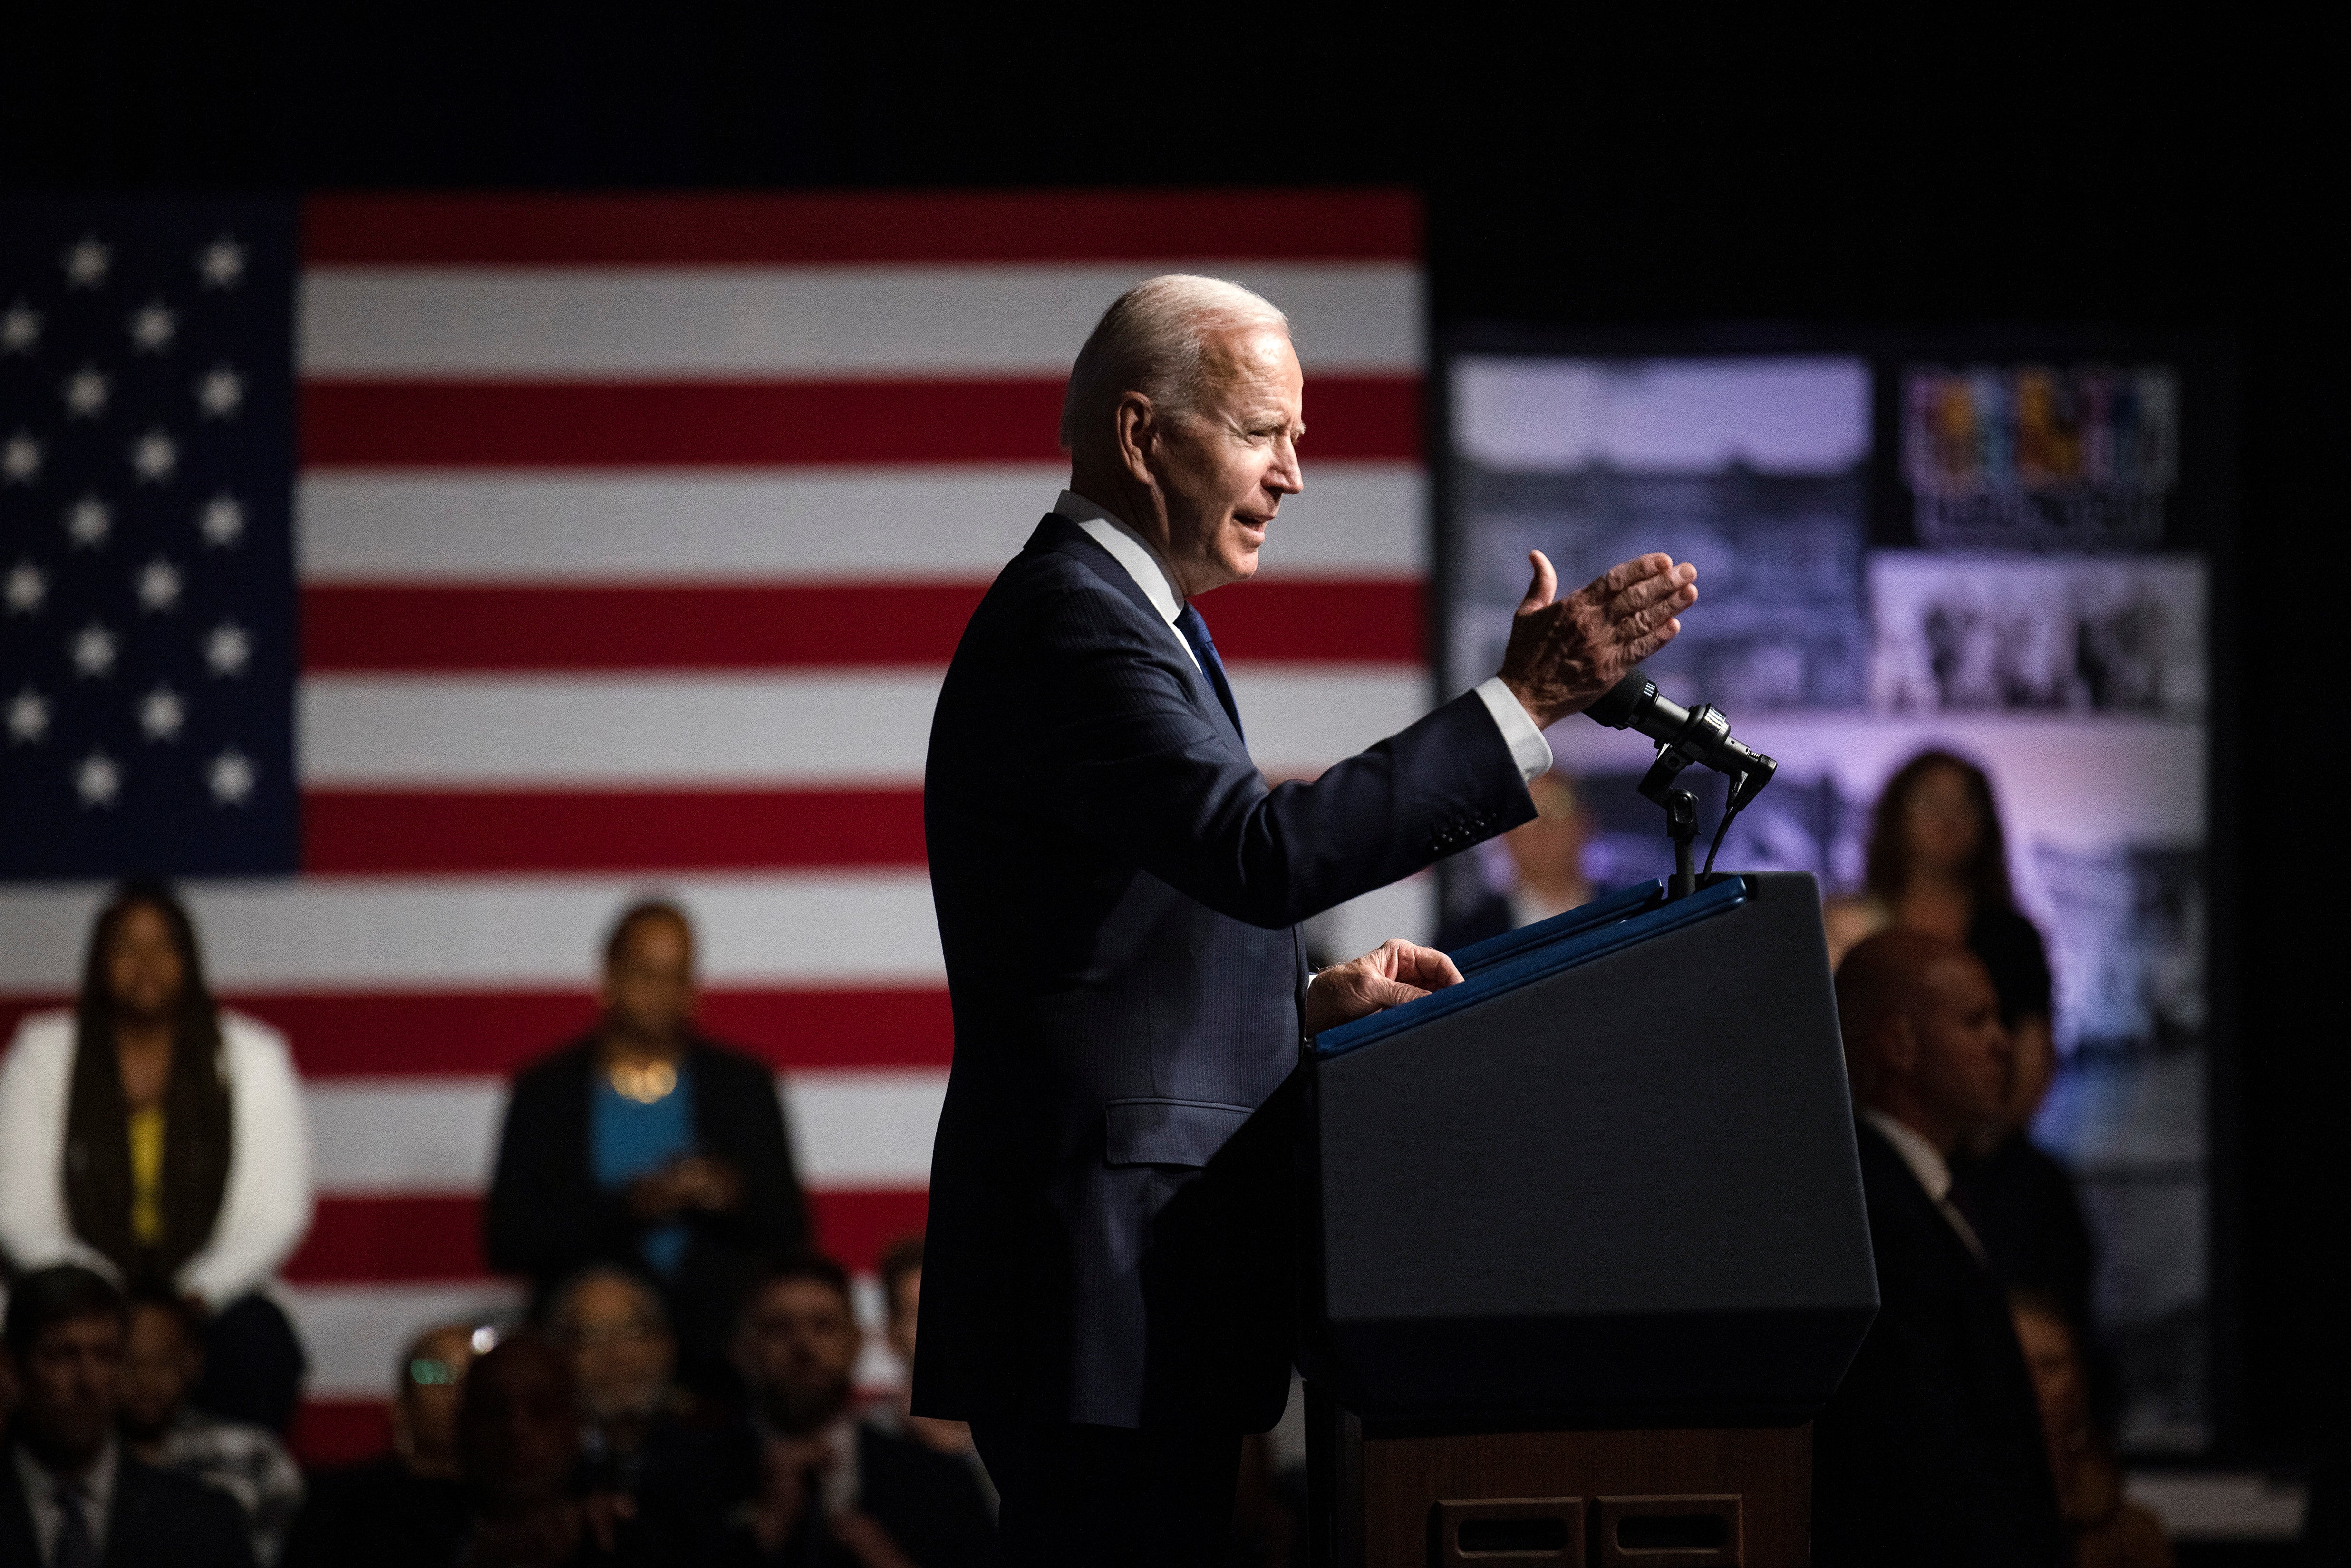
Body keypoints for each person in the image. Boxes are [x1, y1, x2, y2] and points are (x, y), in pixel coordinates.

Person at [917, 272, 1698, 1565]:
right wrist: (1526, 701)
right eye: (1260, 432)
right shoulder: (1075, 624)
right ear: (1139, 431)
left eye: (1299, 440)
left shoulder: (1123, 622)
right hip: (1100, 1291)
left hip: (1126, 1288)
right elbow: (1257, 849)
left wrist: (1294, 1014)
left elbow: (1120, 948)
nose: (1290, 475)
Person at [0, 881, 313, 1433]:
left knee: (261, 1344)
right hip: (76, 1292)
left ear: (189, 958)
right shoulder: (43, 1053)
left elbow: (275, 1214)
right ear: (98, 960)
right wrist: (108, 1299)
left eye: (163, 946)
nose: (145, 963)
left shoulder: (254, 1057)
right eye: (126, 946)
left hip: (209, 1299)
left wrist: (191, 1298)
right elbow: (19, 1213)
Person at [1812, 930, 2065, 1567]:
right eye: (1974, 1021)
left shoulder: (1908, 1192)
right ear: (1897, 1043)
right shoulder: (1876, 1211)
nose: (2002, 1043)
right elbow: (1925, 1457)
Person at [486, 900, 810, 1398]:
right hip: (583, 1372)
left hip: (720, 1372)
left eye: (677, 975)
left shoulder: (743, 1085)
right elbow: (508, 1238)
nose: (663, 993)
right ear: (609, 976)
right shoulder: (547, 1092)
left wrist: (731, 1194)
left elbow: (792, 1226)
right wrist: (628, 1207)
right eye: (646, 974)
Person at [644, 1258, 995, 1568]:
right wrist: (764, 1530)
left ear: (856, 1342)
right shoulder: (680, 1477)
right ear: (741, 1349)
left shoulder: (939, 1481)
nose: (802, 1345)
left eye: (823, 1325)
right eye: (778, 1328)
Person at [0, 1265, 255, 1567]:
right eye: (62, 1355)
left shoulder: (205, 1522)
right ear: (12, 1370)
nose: (88, 1380)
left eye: (105, 1355)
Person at [117, 1289, 302, 1565]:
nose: (146, 1380)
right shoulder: (80, 1460)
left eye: (163, 1362)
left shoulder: (253, 1456)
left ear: (194, 1361)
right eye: (131, 1362)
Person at [277, 1322, 476, 1568]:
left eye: (476, 1377)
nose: (459, 1392)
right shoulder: (340, 1509)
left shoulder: (519, 1513)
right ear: (400, 1405)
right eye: (436, 1373)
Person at [2010, 1290, 2172, 1568]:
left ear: (2080, 1385)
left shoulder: (2130, 1535)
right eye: (2015, 1366)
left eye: (2048, 1366)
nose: (2031, 1385)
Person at [543, 1267, 690, 1494]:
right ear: (560, 1354)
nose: (617, 1355)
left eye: (632, 1333)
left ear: (667, 1346)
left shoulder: (714, 1449)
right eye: (593, 1338)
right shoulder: (543, 1468)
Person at [1433, 770, 1594, 951]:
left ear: (1584, 821)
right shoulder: (1466, 941)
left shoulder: (1627, 912)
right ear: (1507, 835)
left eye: (1557, 808)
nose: (1543, 827)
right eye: (1527, 816)